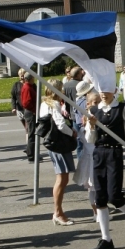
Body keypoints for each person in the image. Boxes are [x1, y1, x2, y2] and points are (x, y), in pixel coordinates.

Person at [85, 82, 125, 249]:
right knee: (100, 197)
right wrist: (92, 125)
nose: (104, 94)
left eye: (107, 90)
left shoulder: (122, 108)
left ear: (114, 91)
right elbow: (89, 139)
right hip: (98, 153)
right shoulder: (94, 111)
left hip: (114, 154)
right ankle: (106, 239)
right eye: (101, 90)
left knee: (114, 195)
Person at [39, 79, 78, 226]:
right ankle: (58, 212)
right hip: (59, 144)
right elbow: (60, 124)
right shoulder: (53, 104)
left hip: (53, 144)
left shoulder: (44, 104)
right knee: (62, 179)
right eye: (61, 89)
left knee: (62, 178)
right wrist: (72, 132)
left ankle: (58, 211)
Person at [73, 91, 101, 220]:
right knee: (93, 188)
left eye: (99, 102)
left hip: (96, 154)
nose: (98, 105)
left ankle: (99, 210)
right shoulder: (89, 119)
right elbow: (90, 139)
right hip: (91, 157)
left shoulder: (97, 116)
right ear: (88, 104)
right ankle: (96, 211)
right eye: (95, 102)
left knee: (97, 187)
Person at [21, 73, 37, 162]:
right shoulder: (27, 87)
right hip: (30, 112)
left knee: (32, 133)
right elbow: (26, 103)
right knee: (32, 133)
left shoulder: (27, 86)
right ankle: (31, 155)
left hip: (30, 111)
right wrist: (34, 110)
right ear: (29, 79)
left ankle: (32, 153)